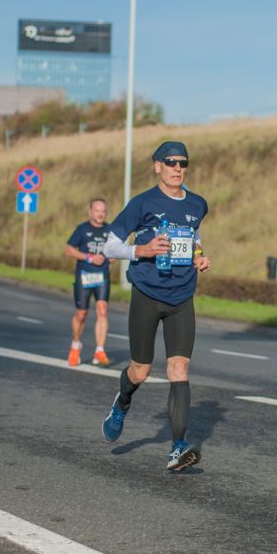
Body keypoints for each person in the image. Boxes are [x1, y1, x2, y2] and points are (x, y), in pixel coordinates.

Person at [100, 141, 211, 471]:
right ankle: (122, 402)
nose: (178, 168)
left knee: (179, 369)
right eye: (171, 162)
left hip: (182, 297)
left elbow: (194, 236)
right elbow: (109, 246)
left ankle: (177, 447)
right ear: (157, 166)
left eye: (183, 163)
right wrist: (142, 251)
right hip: (147, 294)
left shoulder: (197, 204)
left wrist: (199, 257)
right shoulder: (142, 203)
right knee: (141, 370)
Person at [65, 198, 113, 367]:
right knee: (81, 314)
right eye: (97, 210)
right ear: (90, 212)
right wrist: (89, 257)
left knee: (102, 310)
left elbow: (115, 251)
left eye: (103, 211)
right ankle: (75, 345)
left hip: (102, 275)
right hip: (84, 275)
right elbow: (69, 249)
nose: (100, 214)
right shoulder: (82, 229)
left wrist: (110, 256)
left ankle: (99, 350)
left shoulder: (109, 230)